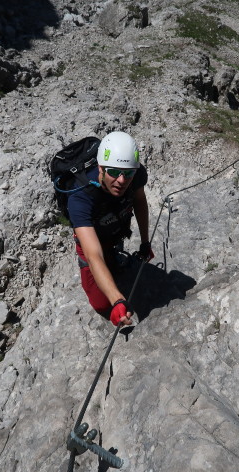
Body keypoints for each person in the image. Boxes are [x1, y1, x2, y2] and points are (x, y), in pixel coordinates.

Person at [67, 131, 154, 327]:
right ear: (101, 167)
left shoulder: (136, 174)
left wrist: (145, 242)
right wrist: (117, 301)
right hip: (92, 241)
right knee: (100, 304)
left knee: (112, 265)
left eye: (127, 173)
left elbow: (140, 201)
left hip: (113, 230)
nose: (122, 180)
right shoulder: (80, 197)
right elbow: (93, 255)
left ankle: (113, 256)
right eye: (114, 172)